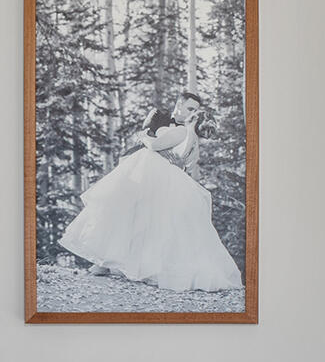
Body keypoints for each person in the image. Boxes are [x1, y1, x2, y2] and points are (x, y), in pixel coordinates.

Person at [59, 91, 243, 291]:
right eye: (191, 108)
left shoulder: (187, 132)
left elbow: (170, 153)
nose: (194, 113)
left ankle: (143, 268)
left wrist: (147, 137)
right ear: (179, 105)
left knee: (152, 221)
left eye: (197, 110)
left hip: (159, 175)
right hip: (143, 171)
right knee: (127, 212)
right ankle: (106, 262)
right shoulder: (161, 119)